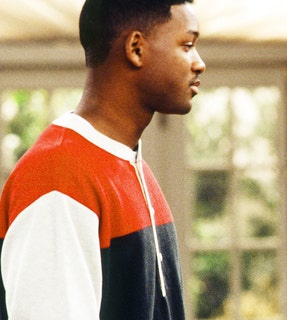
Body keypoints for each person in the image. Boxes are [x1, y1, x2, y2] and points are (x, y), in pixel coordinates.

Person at [0, 0, 205, 319]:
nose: (199, 63)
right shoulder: (58, 181)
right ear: (136, 48)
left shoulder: (128, 163)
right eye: (188, 45)